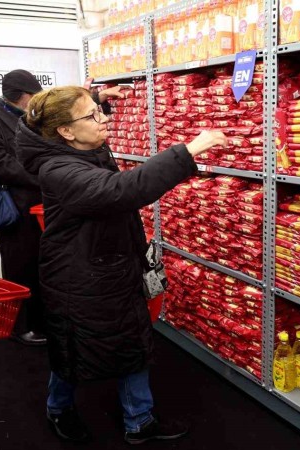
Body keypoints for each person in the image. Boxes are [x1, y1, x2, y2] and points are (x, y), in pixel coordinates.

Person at [15, 86, 226, 445]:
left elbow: (114, 181)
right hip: (77, 275)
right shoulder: (56, 168)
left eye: (100, 112)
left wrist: (96, 97)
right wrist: (187, 151)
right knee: (73, 347)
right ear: (65, 131)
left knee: (131, 342)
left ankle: (138, 421)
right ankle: (58, 408)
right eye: (92, 115)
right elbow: (121, 190)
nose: (103, 120)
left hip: (112, 265)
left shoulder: (85, 147)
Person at [0, 70, 122, 345]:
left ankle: (49, 321)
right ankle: (23, 325)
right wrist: (48, 174)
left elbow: (65, 117)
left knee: (51, 265)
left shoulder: (28, 116)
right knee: (22, 266)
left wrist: (95, 98)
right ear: (25, 97)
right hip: (17, 210)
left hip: (48, 205)